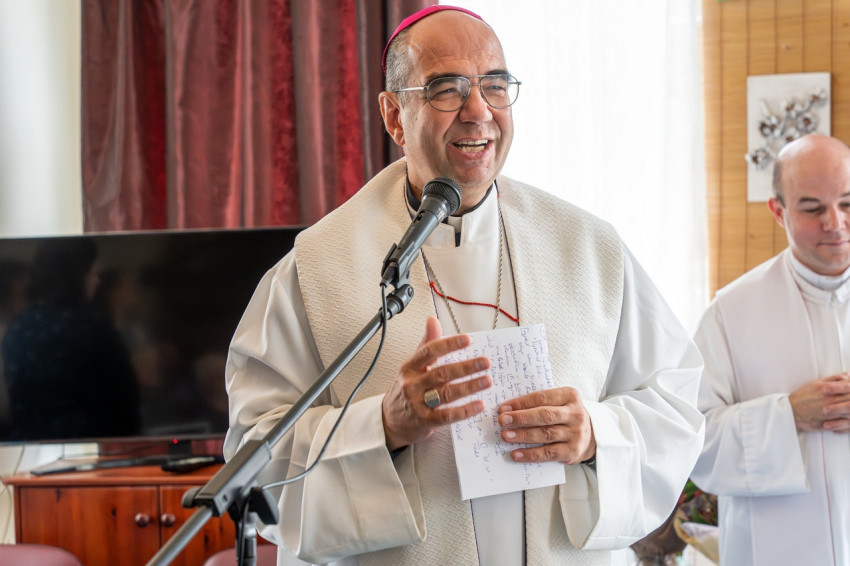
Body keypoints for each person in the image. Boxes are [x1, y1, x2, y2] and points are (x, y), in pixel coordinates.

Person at [224, 6, 704, 565]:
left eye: (495, 86)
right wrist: (383, 425)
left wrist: (595, 434)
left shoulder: (590, 248)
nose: (479, 112)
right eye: (447, 89)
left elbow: (675, 407)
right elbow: (255, 455)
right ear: (394, 116)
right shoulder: (315, 268)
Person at [690, 134, 850, 566]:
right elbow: (694, 443)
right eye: (813, 208)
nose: (835, 222)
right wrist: (789, 416)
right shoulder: (730, 313)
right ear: (778, 211)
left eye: (848, 203)